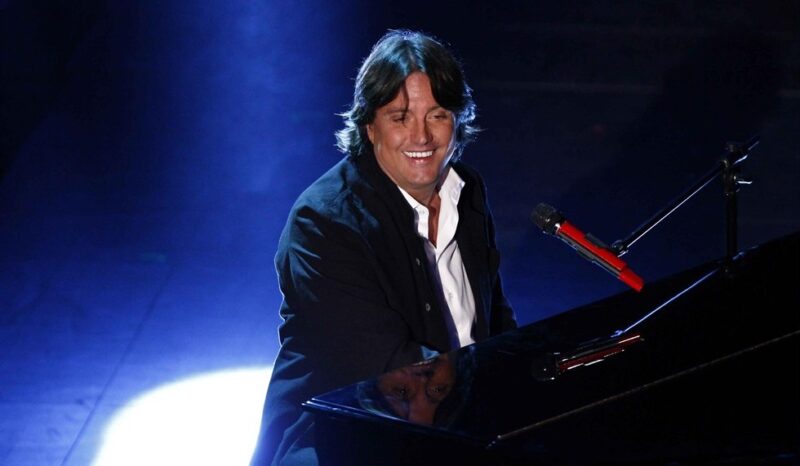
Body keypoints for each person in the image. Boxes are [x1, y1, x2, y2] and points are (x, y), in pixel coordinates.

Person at [250, 29, 516, 466]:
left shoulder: (467, 189)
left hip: (456, 422)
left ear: (457, 121)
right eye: (400, 117)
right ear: (370, 126)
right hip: (342, 434)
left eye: (437, 115)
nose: (421, 137)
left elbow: (495, 318)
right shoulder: (325, 221)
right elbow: (391, 370)